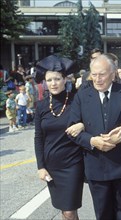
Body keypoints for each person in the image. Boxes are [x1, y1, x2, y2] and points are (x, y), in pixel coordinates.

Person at [68, 54, 121, 220]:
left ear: (113, 74)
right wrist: (92, 141)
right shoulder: (82, 97)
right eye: (94, 74)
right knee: (103, 214)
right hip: (96, 168)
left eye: (102, 74)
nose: (97, 79)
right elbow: (72, 131)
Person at [34, 54, 85, 220]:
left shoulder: (77, 100)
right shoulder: (41, 105)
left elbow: (93, 122)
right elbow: (38, 138)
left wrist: (82, 125)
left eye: (57, 79)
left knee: (70, 211)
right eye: (49, 80)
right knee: (64, 210)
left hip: (73, 163)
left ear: (65, 79)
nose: (53, 83)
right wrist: (41, 167)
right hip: (52, 166)